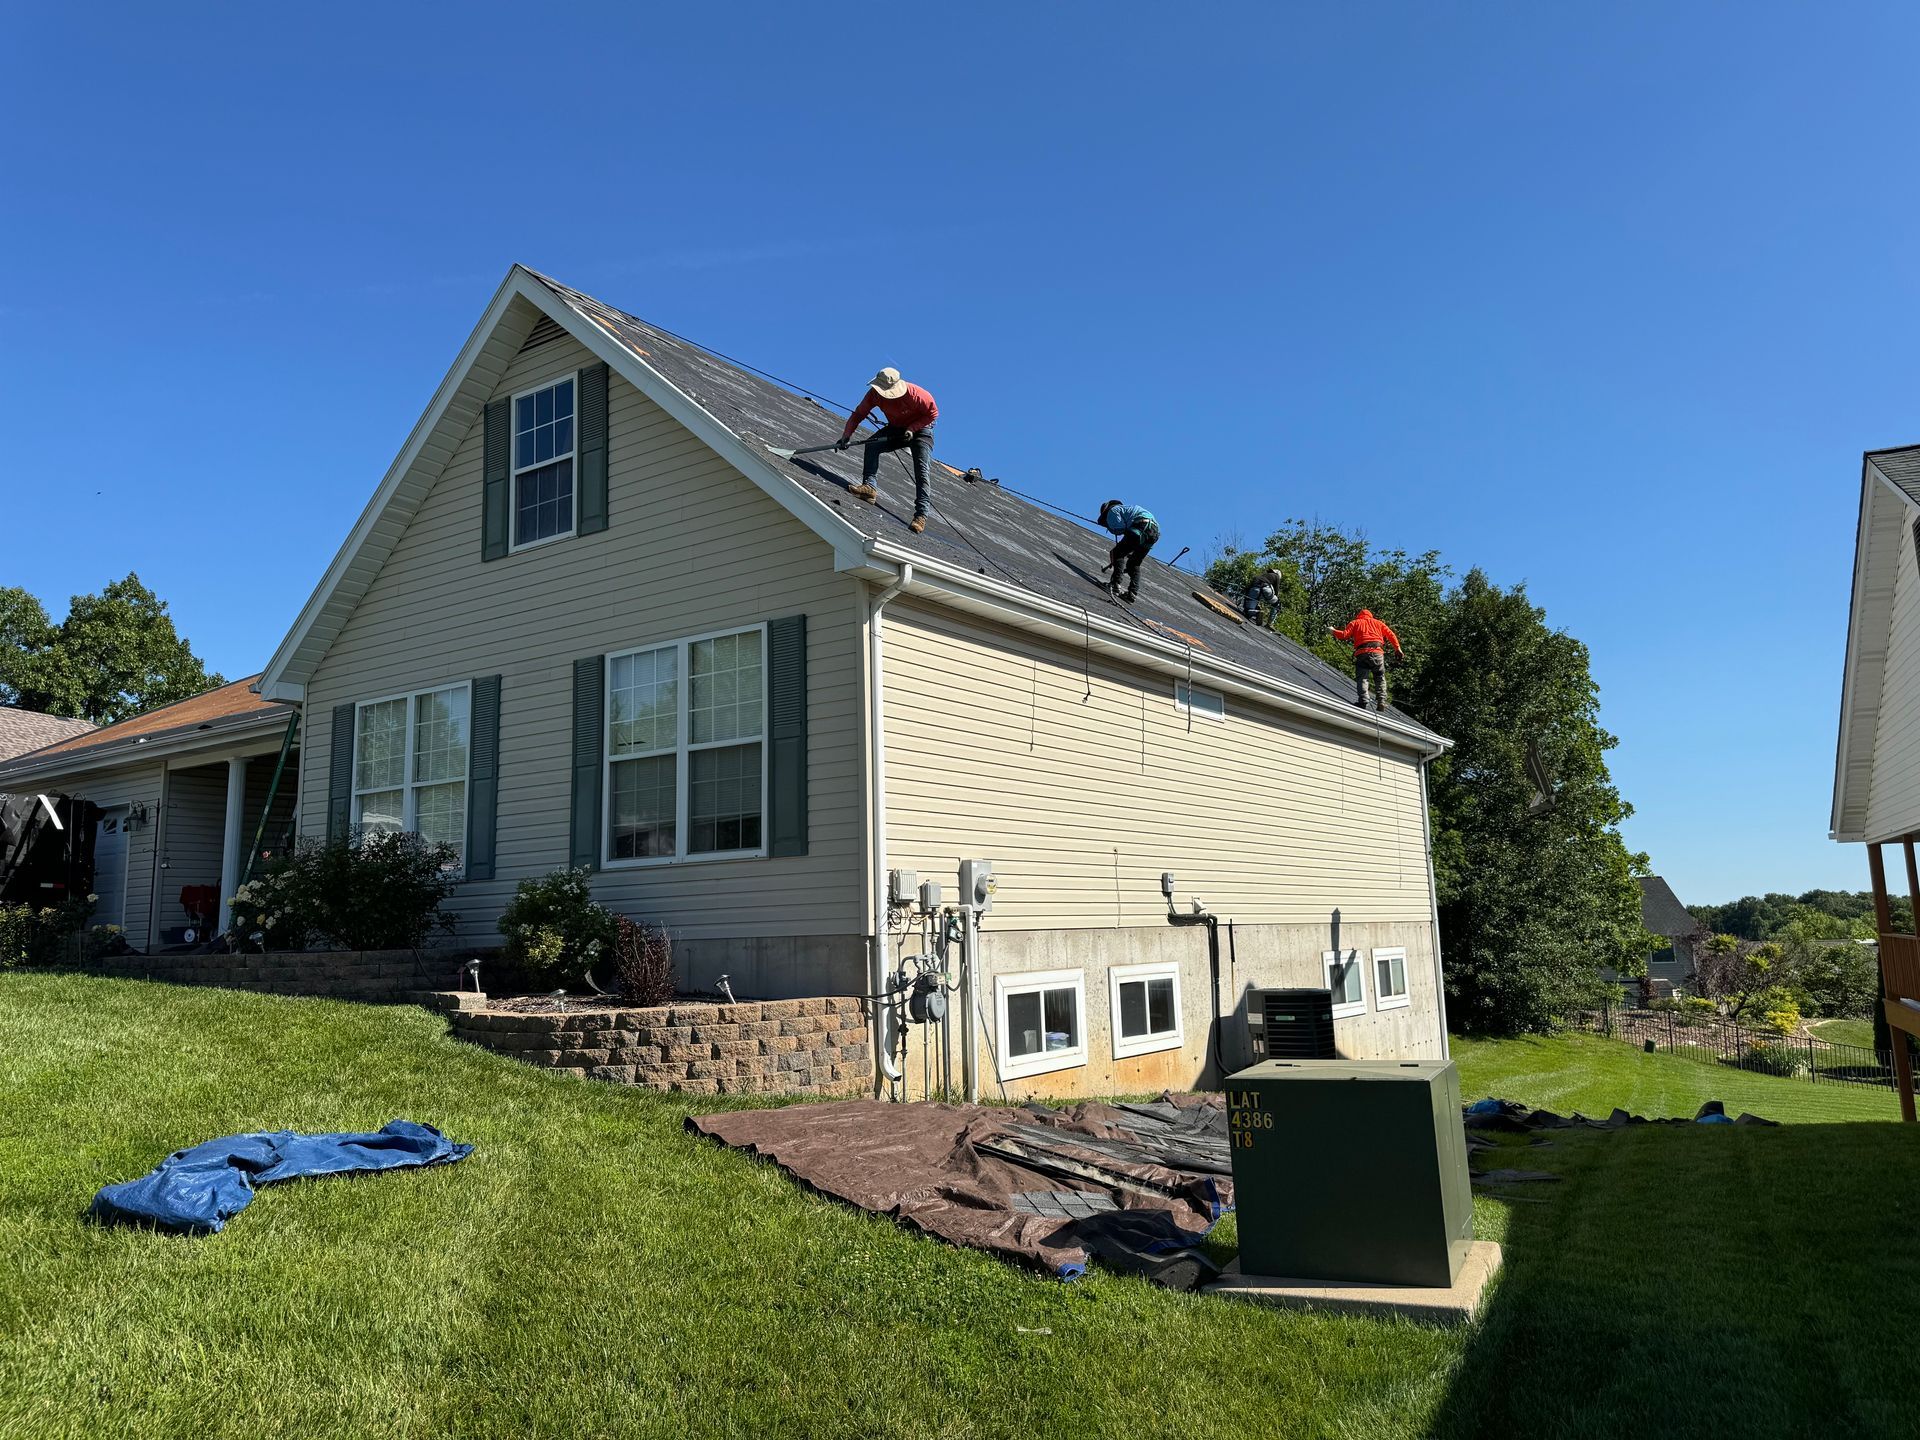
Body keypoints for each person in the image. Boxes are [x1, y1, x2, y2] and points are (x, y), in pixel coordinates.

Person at [838, 367, 938, 534]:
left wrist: (913, 429)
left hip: (921, 431)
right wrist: (846, 435)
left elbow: (933, 414)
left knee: (922, 471)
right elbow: (859, 414)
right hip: (897, 428)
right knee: (872, 444)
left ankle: (921, 515)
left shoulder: (918, 395)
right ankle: (869, 488)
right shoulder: (874, 394)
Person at [1329, 608, 1403, 710]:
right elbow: (1391, 635)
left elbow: (1344, 635)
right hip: (1377, 653)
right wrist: (1397, 648)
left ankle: (1363, 701)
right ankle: (1381, 701)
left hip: (1362, 653)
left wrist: (1333, 631)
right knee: (1379, 677)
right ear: (1370, 616)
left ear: (1359, 616)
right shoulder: (1378, 623)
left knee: (1362, 678)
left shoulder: (1355, 622)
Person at [1098, 500, 1159, 602]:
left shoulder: (1112, 511)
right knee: (1134, 564)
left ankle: (1115, 585)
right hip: (1154, 532)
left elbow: (1119, 528)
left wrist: (1111, 527)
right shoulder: (1128, 510)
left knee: (1117, 552)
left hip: (1141, 526)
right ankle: (1132, 594)